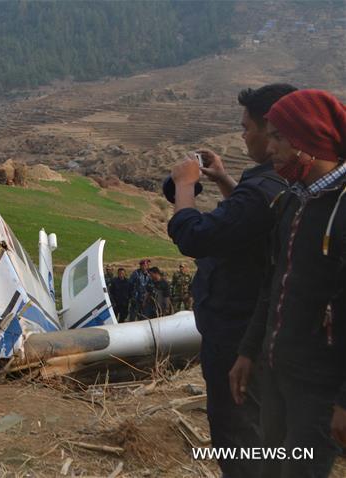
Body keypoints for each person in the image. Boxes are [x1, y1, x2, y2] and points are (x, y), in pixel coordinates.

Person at [168, 83, 295, 477]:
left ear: (270, 129)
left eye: (246, 128)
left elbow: (194, 236)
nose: (242, 135)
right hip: (259, 330)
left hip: (237, 335)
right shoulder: (278, 184)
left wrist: (185, 185)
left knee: (238, 438)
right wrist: (223, 179)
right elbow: (251, 225)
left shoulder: (262, 191)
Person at [230, 89, 346, 477]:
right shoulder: (291, 203)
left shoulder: (342, 210)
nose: (271, 146)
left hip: (320, 390)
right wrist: (249, 352)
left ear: (308, 140)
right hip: (278, 373)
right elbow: (272, 285)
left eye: (279, 137)